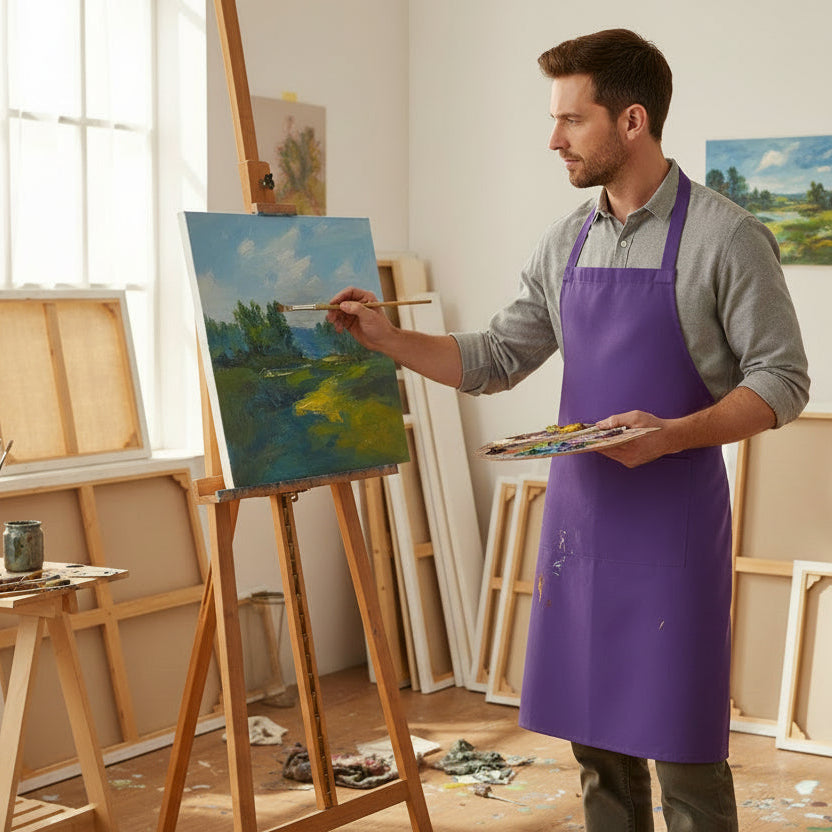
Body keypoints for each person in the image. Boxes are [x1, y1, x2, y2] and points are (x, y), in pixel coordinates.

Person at [326, 28, 810, 832]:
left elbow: (783, 381)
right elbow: (496, 356)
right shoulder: (566, 242)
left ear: (632, 121)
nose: (554, 139)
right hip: (582, 525)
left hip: (673, 525)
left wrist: (672, 433)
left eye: (572, 119)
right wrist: (387, 339)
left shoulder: (727, 237)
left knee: (684, 750)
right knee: (597, 749)